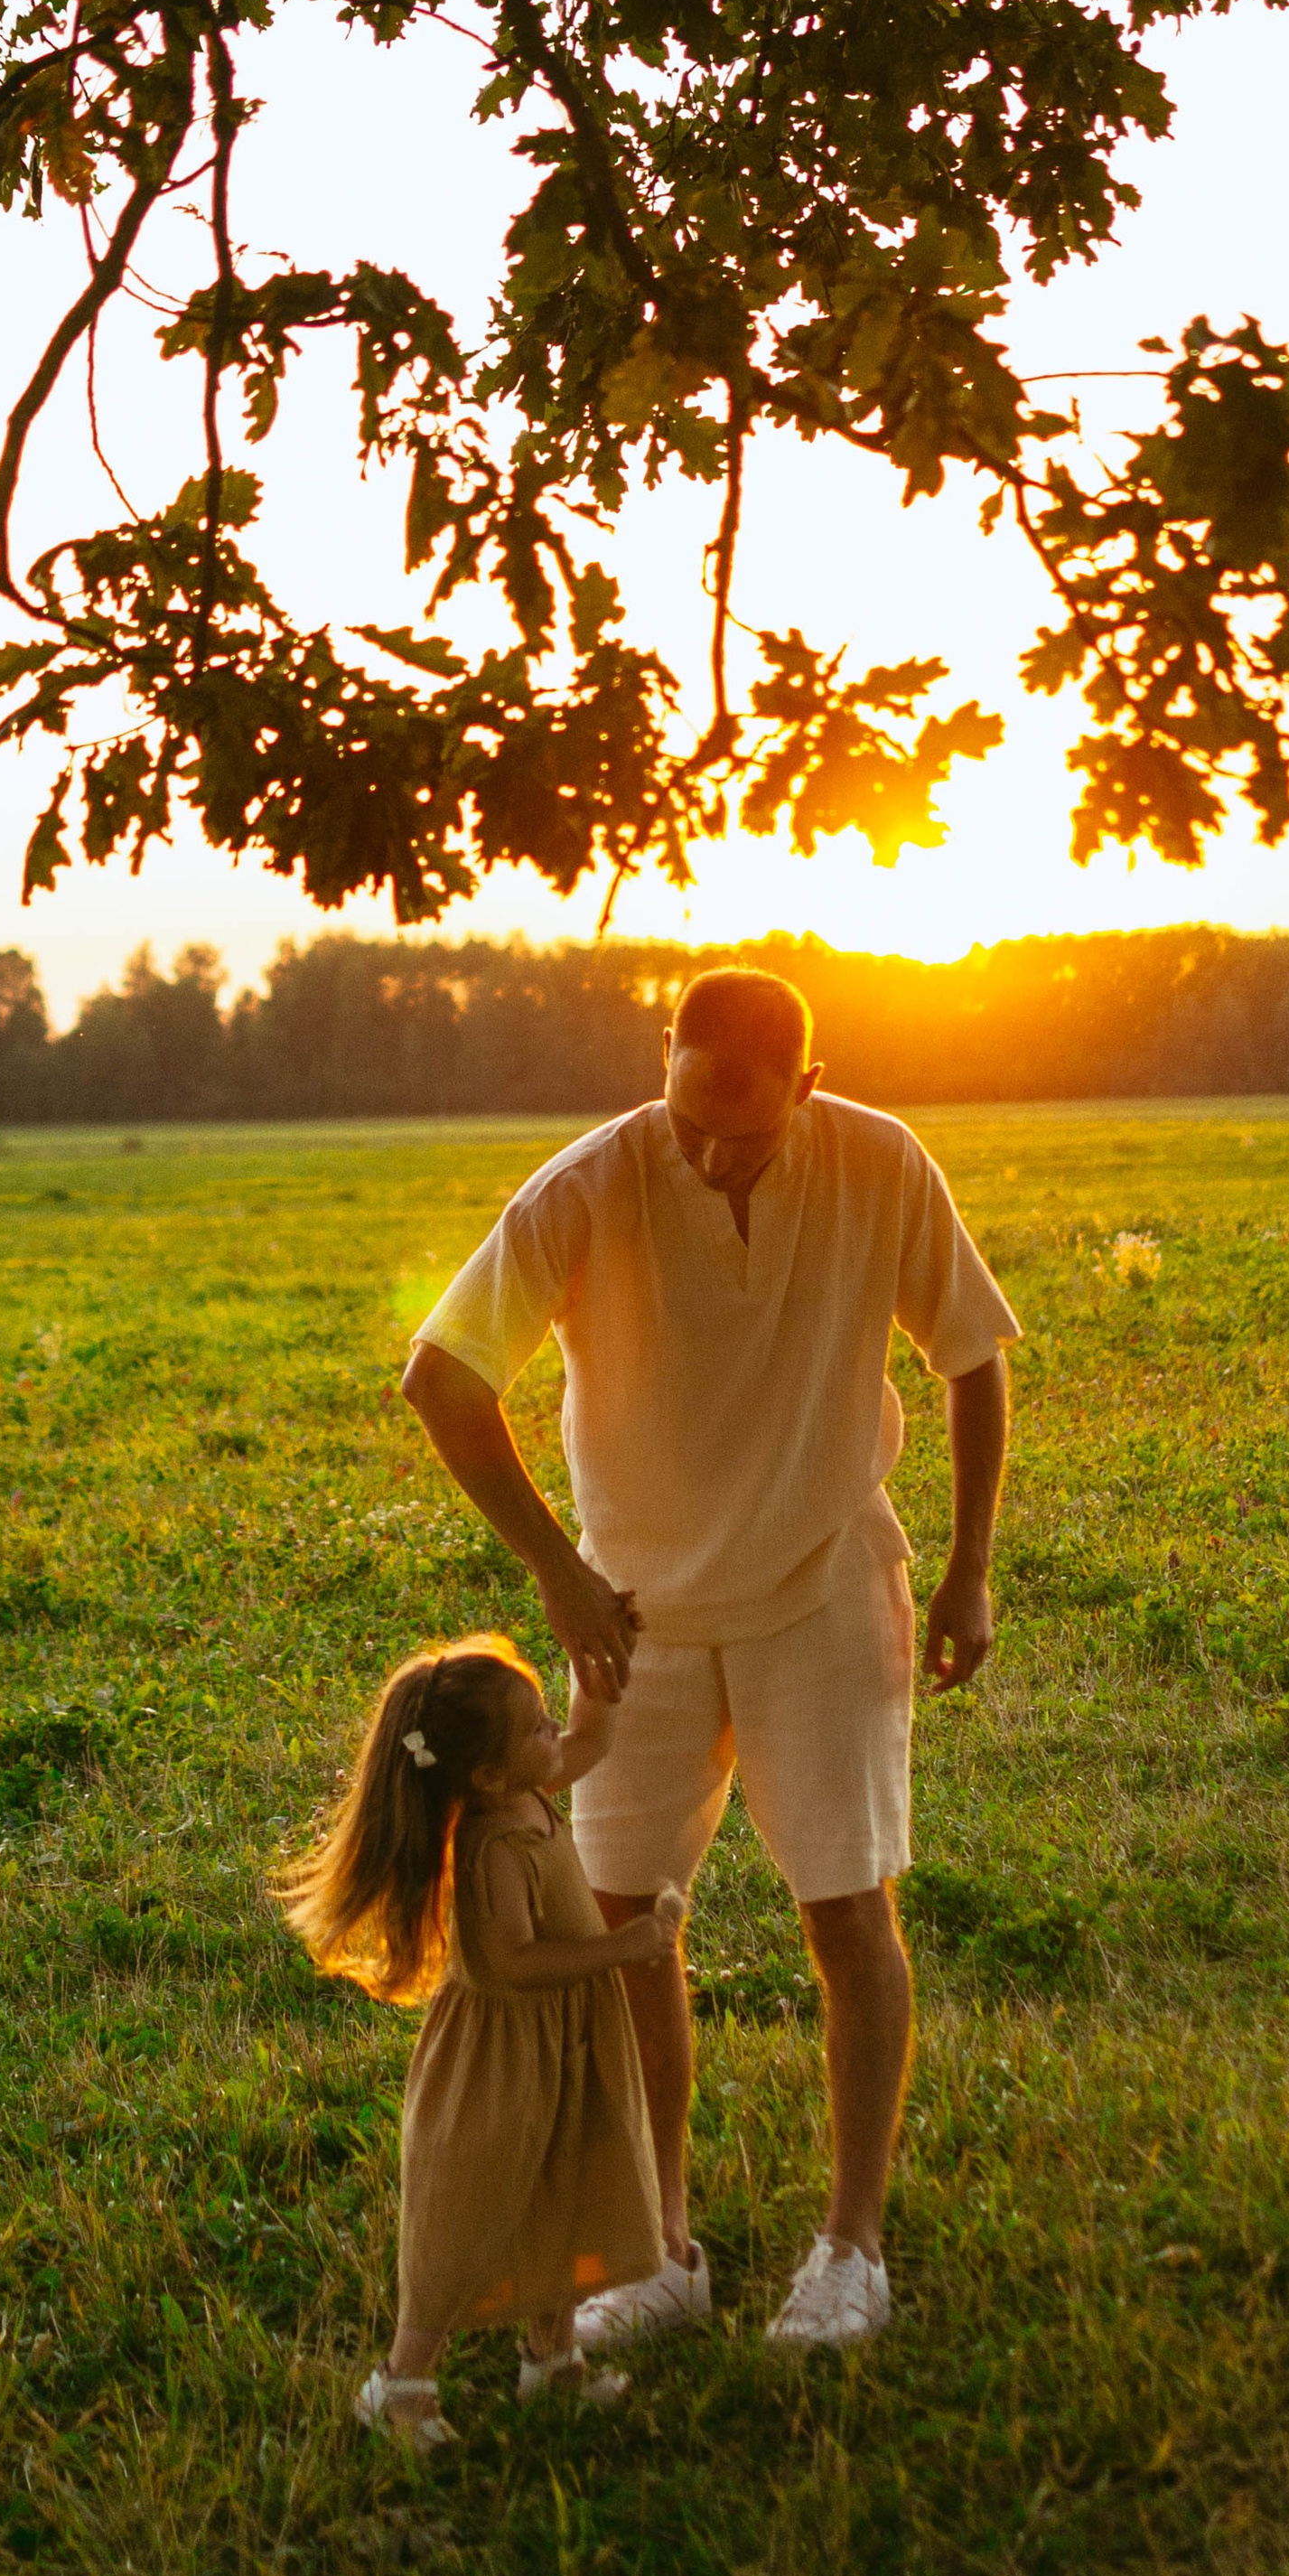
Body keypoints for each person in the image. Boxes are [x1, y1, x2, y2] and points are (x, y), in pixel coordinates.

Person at [402, 966, 1018, 2354]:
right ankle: (658, 2245)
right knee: (622, 1925)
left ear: (806, 1087)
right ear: (661, 1063)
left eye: (742, 1134)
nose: (709, 1153)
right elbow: (444, 1377)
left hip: (822, 1588)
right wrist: (557, 1570)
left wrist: (972, 1565)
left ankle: (850, 2248)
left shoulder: (880, 1162)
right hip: (638, 1616)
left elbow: (971, 1356)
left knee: (847, 1915)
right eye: (688, 1120)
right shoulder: (590, 1183)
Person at [275, 1632, 681, 2449]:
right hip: (505, 2057)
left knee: (566, 2186)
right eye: (537, 1728)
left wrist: (598, 1668)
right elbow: (513, 1961)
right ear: (489, 1775)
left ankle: (552, 2361)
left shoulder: (525, 1789)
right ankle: (402, 2381)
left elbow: (591, 1738)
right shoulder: (494, 1843)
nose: (552, 1737)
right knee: (473, 2212)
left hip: (566, 2043)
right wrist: (626, 1944)